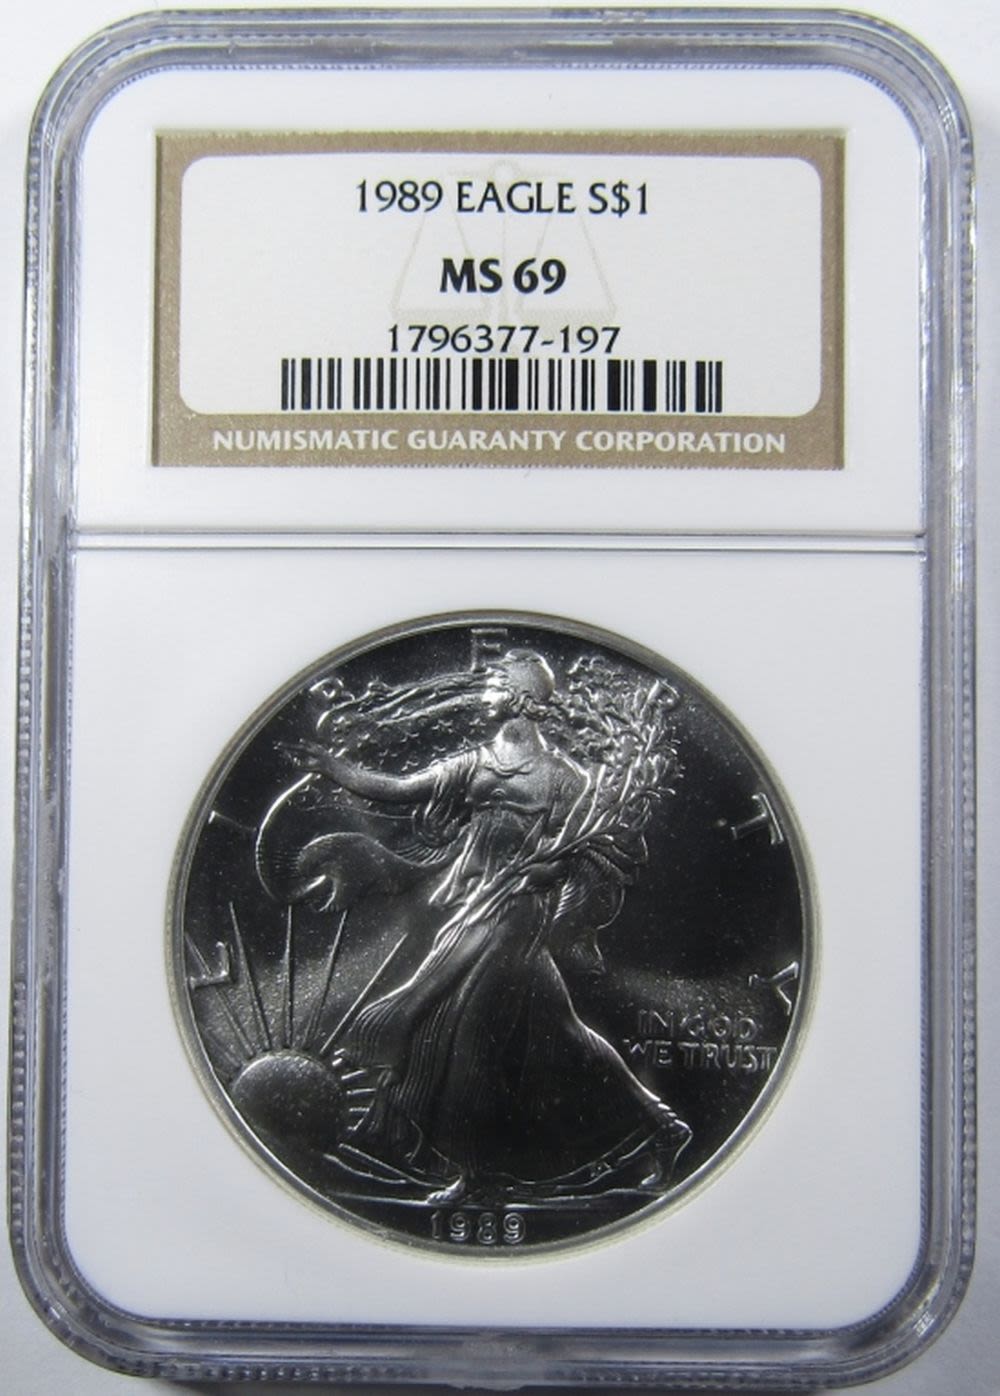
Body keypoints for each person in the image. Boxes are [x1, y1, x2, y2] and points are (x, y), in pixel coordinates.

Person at [294, 648, 690, 1200]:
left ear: (521, 698)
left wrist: (551, 873)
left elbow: (592, 856)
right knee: (566, 1032)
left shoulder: (563, 778)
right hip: (477, 903)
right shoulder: (476, 763)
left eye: (495, 682)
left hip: (517, 916)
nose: (484, 690)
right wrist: (338, 771)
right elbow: (401, 789)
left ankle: (477, 1174)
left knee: (468, 1038)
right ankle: (663, 1126)